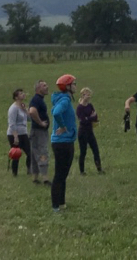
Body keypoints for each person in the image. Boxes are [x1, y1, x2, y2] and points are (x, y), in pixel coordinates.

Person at [50, 74, 78, 212]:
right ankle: (55, 206)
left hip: (65, 141)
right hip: (62, 143)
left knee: (63, 175)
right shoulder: (65, 100)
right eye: (74, 84)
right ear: (67, 86)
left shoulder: (63, 99)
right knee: (59, 175)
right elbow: (56, 113)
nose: (76, 86)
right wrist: (62, 126)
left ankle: (62, 203)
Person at [27, 80, 51, 185]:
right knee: (42, 152)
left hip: (39, 132)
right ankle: (45, 178)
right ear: (38, 88)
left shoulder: (39, 99)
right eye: (44, 86)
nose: (47, 87)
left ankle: (35, 178)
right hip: (38, 132)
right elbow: (32, 111)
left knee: (34, 153)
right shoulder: (36, 99)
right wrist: (40, 122)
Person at [76, 87, 103, 175]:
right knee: (83, 152)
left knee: (96, 150)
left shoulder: (90, 105)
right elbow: (83, 120)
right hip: (82, 132)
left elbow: (95, 117)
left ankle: (99, 169)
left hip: (90, 131)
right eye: (87, 94)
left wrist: (89, 118)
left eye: (89, 94)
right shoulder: (79, 108)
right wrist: (90, 117)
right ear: (83, 95)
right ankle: (82, 171)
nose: (89, 96)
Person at [6, 88, 32, 179]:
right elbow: (12, 123)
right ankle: (14, 173)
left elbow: (29, 119)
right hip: (14, 134)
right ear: (16, 97)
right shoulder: (13, 108)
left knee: (30, 152)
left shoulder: (22, 106)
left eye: (23, 93)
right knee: (16, 154)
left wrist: (26, 110)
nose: (23, 94)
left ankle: (29, 170)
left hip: (23, 133)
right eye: (21, 93)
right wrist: (15, 136)